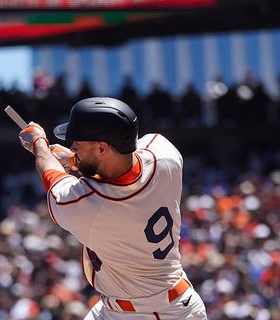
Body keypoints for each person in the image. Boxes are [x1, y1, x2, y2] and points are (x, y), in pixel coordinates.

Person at [17, 97, 208, 319]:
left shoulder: (90, 204)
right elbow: (122, 164)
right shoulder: (165, 154)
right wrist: (77, 159)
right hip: (141, 303)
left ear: (101, 148)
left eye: (77, 143)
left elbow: (51, 175)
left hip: (157, 313)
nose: (72, 147)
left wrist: (39, 144)